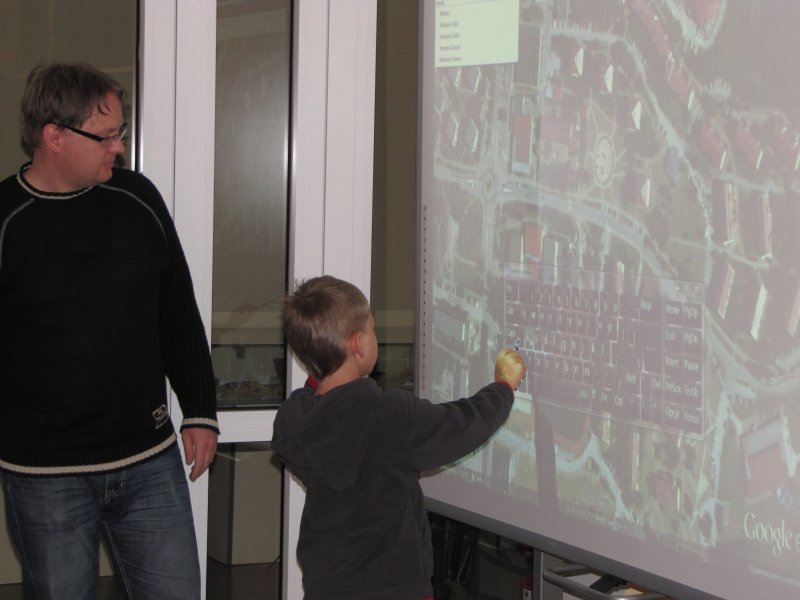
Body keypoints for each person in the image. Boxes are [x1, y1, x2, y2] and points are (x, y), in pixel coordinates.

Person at [0, 62, 219, 599]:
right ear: (53, 136)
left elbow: (177, 309)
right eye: (105, 136)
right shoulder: (5, 220)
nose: (118, 147)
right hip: (44, 477)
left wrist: (200, 409)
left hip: (148, 462)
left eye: (120, 132)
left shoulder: (138, 198)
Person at [272, 275, 526, 600]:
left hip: (327, 588)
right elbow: (461, 425)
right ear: (359, 344)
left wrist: (320, 368)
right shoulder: (390, 414)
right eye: (372, 330)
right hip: (397, 587)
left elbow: (320, 403)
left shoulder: (295, 419)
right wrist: (503, 388)